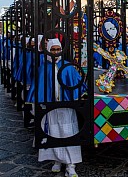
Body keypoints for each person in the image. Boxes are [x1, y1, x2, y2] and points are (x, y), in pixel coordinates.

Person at [26, 38, 87, 177]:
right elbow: (38, 88)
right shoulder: (42, 68)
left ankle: (71, 164)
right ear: (48, 50)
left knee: (69, 132)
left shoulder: (68, 67)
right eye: (53, 50)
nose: (55, 52)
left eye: (58, 49)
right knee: (53, 132)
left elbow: (78, 85)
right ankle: (57, 160)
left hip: (66, 108)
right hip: (50, 108)